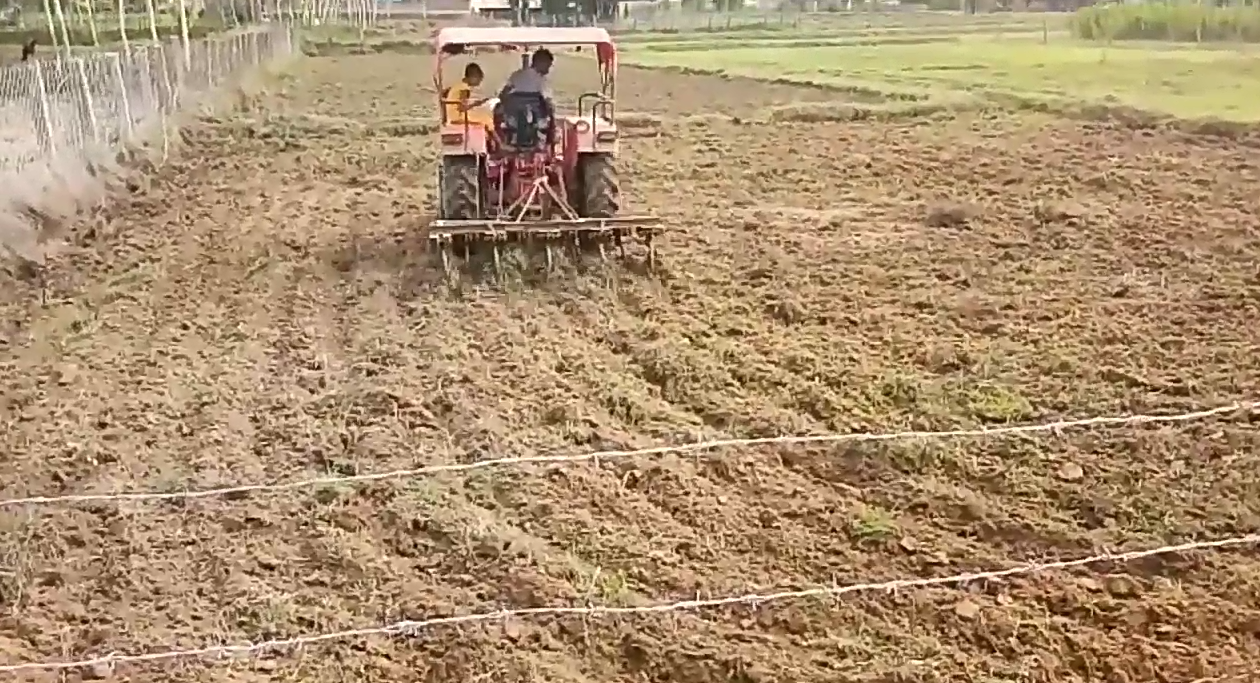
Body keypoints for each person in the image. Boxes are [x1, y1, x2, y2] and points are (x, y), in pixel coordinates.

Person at [443, 63, 493, 131]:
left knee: (483, 115)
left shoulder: (459, 85)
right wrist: (475, 104)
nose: (480, 82)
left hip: (453, 115)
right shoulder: (464, 89)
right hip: (457, 117)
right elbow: (462, 108)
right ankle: (494, 139)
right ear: (473, 77)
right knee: (487, 119)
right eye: (479, 79)